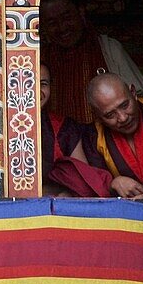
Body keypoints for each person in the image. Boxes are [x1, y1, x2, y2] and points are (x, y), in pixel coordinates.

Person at [40, 0, 143, 124]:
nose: (62, 27)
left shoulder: (108, 49)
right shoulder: (40, 58)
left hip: (104, 142)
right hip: (57, 143)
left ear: (81, 12)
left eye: (66, 17)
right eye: (52, 23)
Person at [70, 73, 143, 198]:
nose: (123, 118)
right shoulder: (94, 136)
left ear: (133, 93)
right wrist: (113, 183)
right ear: (97, 116)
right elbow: (95, 183)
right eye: (110, 115)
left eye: (124, 105)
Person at [37, 63, 91, 196]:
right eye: (27, 82)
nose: (36, 90)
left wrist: (68, 193)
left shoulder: (64, 127)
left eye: (43, 84)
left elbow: (83, 179)